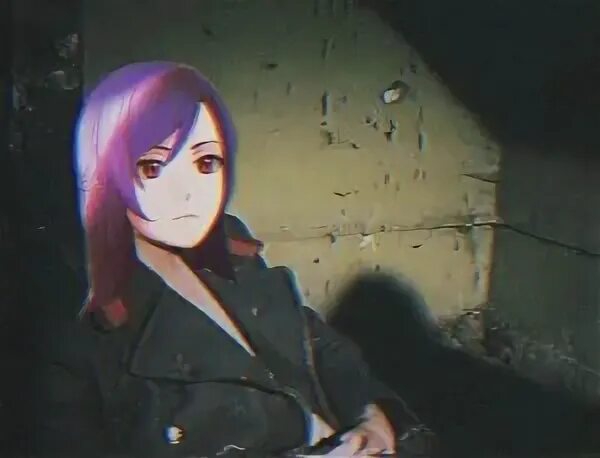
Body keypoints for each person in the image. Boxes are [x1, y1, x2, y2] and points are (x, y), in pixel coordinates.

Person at [39, 61, 424, 458]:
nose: (187, 192)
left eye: (206, 163)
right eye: (153, 167)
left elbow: (316, 341)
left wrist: (373, 416)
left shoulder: (226, 242)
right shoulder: (74, 325)